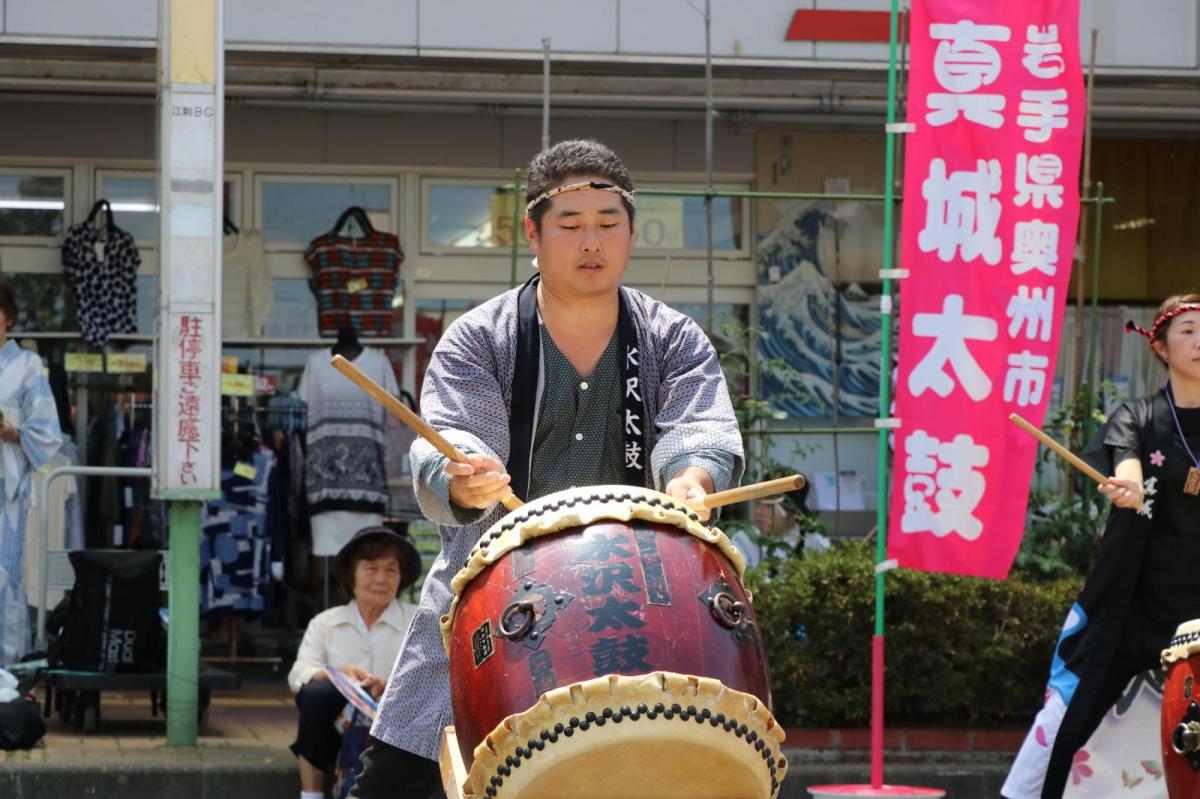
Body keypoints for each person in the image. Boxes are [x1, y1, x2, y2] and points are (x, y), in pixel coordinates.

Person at [351, 139, 744, 799]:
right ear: (531, 232)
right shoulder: (482, 337)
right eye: (569, 224)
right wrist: (461, 476)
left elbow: (698, 431)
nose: (590, 240)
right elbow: (453, 436)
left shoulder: (672, 338)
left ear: (629, 232)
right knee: (398, 782)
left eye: (607, 223)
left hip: (639, 603)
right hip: (489, 600)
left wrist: (693, 479)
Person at [1003, 293, 1200, 799]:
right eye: (1188, 331)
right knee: (1067, 715)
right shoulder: (1137, 417)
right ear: (1160, 346)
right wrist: (1128, 483)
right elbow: (1127, 460)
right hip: (1129, 603)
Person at [288, 526, 421, 799]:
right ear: (352, 575)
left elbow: (434, 676)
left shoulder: (419, 621)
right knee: (315, 694)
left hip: (396, 728)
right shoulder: (326, 622)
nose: (381, 579)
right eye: (371, 569)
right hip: (335, 731)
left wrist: (389, 685)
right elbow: (299, 674)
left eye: (391, 570)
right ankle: (311, 794)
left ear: (401, 576)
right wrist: (339, 675)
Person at [0, 282, 63, 665]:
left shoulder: (26, 366)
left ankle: (6, 666)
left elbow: (48, 430)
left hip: (6, 485)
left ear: (7, 317)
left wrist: (13, 432)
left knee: (4, 577)